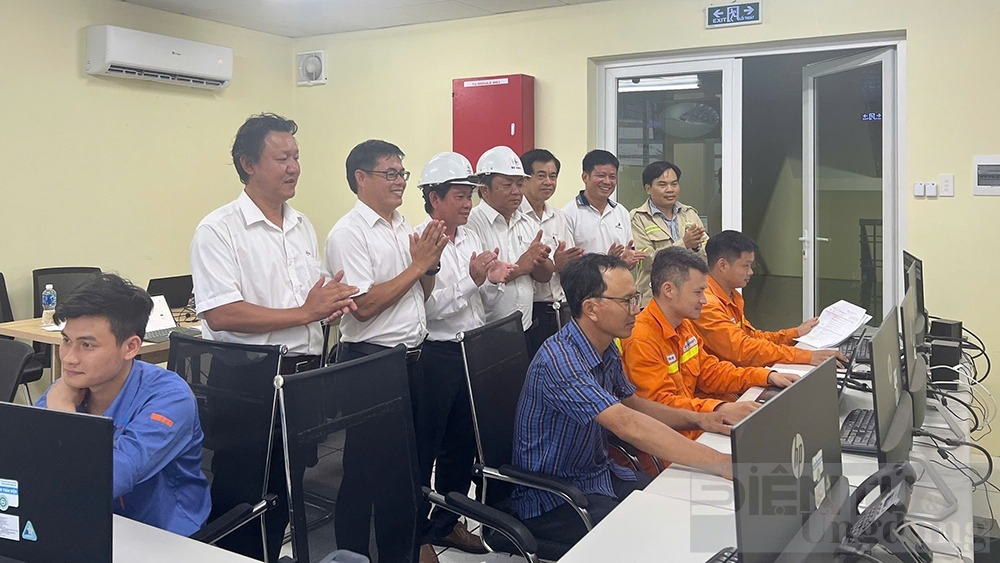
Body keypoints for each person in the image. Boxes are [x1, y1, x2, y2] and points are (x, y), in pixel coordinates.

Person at [190, 113, 357, 560]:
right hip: (249, 380)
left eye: (297, 157)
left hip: (301, 378)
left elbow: (308, 297)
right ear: (248, 164)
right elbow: (221, 312)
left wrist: (330, 299)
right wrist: (306, 311)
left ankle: (269, 552)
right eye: (282, 157)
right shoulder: (219, 229)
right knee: (242, 491)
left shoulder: (301, 224)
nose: (294, 167)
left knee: (287, 486)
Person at [511, 253, 733, 550]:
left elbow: (632, 404)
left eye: (636, 298)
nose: (637, 309)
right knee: (661, 536)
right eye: (626, 301)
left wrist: (699, 419)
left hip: (599, 476)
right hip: (556, 499)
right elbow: (628, 424)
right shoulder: (560, 362)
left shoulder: (604, 347)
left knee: (684, 506)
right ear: (591, 308)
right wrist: (719, 462)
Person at [325, 139, 448, 563]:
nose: (399, 182)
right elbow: (362, 308)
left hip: (410, 359)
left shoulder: (402, 225)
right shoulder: (349, 232)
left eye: (402, 174)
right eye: (390, 174)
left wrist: (430, 264)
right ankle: (352, 554)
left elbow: (422, 294)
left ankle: (403, 552)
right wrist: (417, 266)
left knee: (405, 471)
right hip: (370, 363)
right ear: (361, 178)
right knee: (364, 473)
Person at [36, 273, 211, 537]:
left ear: (130, 347)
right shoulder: (70, 386)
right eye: (67, 341)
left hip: (160, 535)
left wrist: (63, 412)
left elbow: (106, 479)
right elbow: (27, 457)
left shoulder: (170, 397)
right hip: (88, 523)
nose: (69, 358)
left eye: (87, 345)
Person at [416, 152, 515, 558]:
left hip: (470, 349)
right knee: (427, 447)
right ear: (434, 197)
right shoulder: (424, 242)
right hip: (435, 356)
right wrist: (473, 281)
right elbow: (428, 309)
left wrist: (490, 281)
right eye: (458, 195)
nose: (466, 204)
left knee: (461, 445)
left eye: (469, 196)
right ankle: (417, 532)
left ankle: (447, 524)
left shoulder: (470, 238)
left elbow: (483, 305)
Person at [621, 247, 799, 438]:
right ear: (668, 290)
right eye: (698, 292)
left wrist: (765, 376)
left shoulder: (683, 325)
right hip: (671, 441)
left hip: (695, 424)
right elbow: (661, 407)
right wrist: (719, 408)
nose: (704, 301)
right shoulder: (642, 339)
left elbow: (711, 372)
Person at [693, 230, 846, 367]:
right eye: (746, 265)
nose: (751, 272)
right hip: (723, 387)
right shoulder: (707, 304)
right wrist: (807, 356)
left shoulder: (732, 296)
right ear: (723, 265)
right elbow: (742, 350)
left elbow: (751, 338)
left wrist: (795, 333)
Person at [466, 145, 551, 333]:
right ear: (484, 189)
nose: (516, 192)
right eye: (507, 185)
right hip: (489, 330)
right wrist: (521, 267)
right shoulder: (471, 225)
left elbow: (544, 277)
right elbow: (474, 284)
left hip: (527, 327)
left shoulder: (527, 223)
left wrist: (540, 259)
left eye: (519, 184)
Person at [519, 149, 583, 357]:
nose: (548, 181)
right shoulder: (516, 217)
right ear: (525, 179)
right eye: (541, 176)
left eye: (553, 176)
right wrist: (554, 265)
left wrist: (567, 264)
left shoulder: (559, 217)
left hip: (562, 308)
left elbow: (571, 263)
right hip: (533, 311)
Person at [629, 160, 708, 306]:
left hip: (688, 300)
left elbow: (707, 258)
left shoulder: (690, 214)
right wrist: (684, 244)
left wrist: (696, 247)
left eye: (674, 184)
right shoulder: (638, 218)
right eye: (662, 185)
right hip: (653, 300)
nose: (670, 189)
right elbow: (645, 261)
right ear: (648, 188)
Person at [561, 149, 647, 268]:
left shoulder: (621, 212)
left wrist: (626, 262)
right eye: (601, 176)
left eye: (612, 177)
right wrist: (607, 262)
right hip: (583, 286)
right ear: (585, 177)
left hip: (616, 285)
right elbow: (567, 264)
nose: (607, 182)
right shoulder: (568, 213)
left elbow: (628, 258)